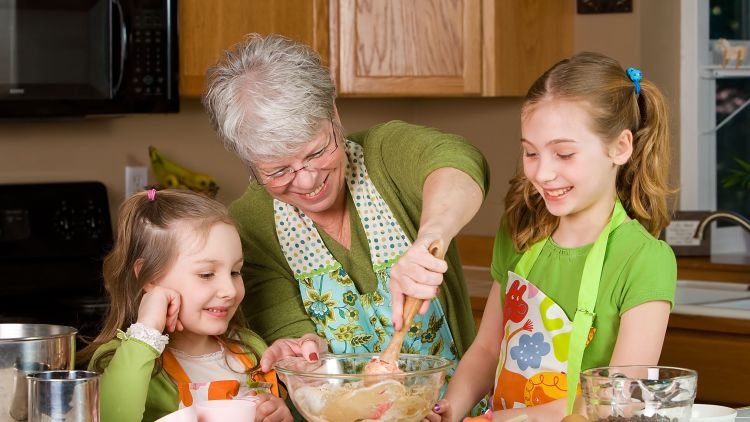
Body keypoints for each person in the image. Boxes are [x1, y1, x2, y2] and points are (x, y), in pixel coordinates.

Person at [202, 33, 489, 365]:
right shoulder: (251, 226)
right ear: (248, 161)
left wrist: (430, 238)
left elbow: (460, 162)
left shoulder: (385, 155)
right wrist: (305, 351)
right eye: (279, 170)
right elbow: (293, 340)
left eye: (318, 151)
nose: (308, 181)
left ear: (334, 114)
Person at [426, 52, 677, 421]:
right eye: (530, 152)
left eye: (564, 153)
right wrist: (451, 408)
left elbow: (614, 400)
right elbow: (486, 349)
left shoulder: (644, 259)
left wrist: (510, 420)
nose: (543, 172)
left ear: (620, 147)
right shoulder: (519, 234)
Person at [77, 189, 306, 422]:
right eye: (207, 274)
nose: (230, 290)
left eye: (235, 272)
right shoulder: (121, 357)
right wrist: (146, 329)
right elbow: (114, 418)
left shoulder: (249, 348)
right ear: (150, 278)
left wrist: (277, 413)